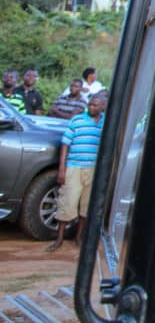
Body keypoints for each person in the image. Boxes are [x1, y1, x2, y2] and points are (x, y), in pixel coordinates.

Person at [48, 91, 108, 252]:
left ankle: (78, 237)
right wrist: (62, 168)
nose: (91, 107)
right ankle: (59, 239)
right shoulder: (77, 120)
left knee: (86, 205)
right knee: (67, 201)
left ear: (103, 106)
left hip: (93, 169)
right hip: (74, 167)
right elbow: (65, 144)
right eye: (90, 104)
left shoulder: (107, 123)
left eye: (95, 105)